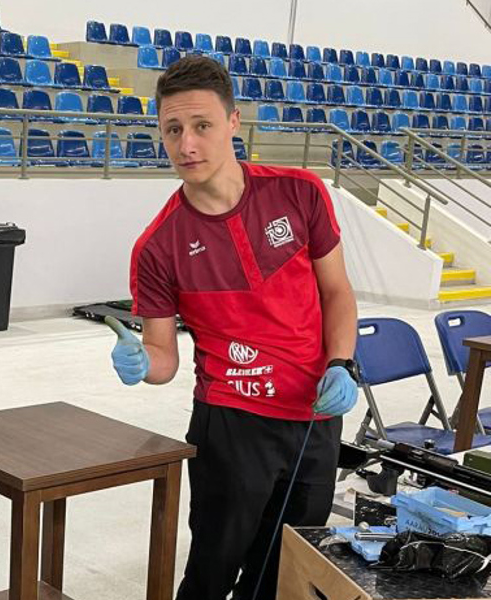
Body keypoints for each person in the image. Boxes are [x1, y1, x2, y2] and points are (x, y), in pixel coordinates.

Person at [110, 55, 359, 600]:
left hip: (314, 418)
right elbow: (163, 356)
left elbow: (337, 292)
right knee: (212, 570)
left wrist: (342, 363)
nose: (187, 145)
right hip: (231, 423)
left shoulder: (299, 192)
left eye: (201, 125)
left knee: (288, 566)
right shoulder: (158, 247)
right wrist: (141, 363)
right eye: (172, 130)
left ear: (233, 122)